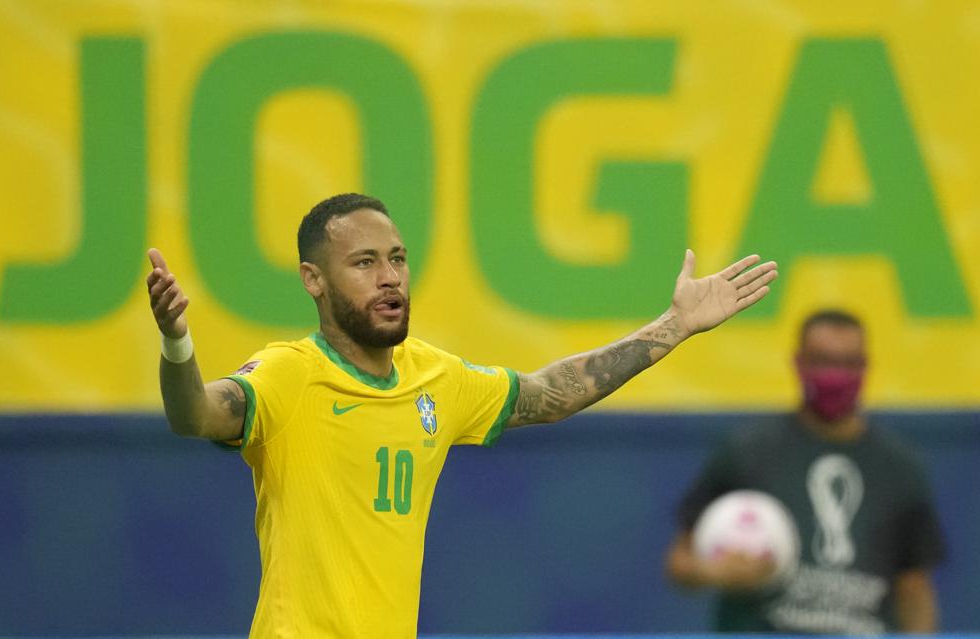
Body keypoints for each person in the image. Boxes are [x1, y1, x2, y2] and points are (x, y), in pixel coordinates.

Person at [146, 192, 777, 638]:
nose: (389, 278)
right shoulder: (288, 375)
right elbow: (194, 414)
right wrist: (178, 342)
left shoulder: (434, 378)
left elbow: (548, 394)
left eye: (396, 258)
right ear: (314, 280)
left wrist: (674, 327)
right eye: (364, 264)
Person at [665, 309, 946, 634]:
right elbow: (679, 562)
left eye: (847, 363)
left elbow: (914, 589)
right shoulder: (748, 452)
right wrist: (717, 572)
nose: (835, 375)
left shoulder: (901, 468)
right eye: (823, 361)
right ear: (799, 363)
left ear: (865, 367)